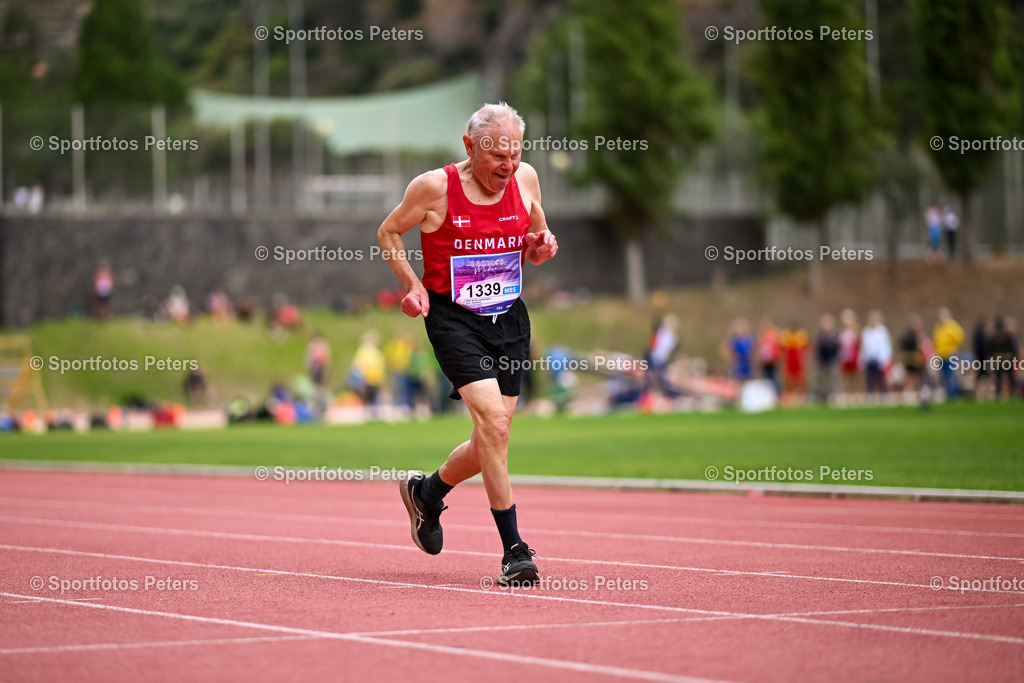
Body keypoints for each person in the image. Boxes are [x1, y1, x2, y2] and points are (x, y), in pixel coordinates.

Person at [377, 102, 558, 586]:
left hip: (509, 319)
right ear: (469, 147)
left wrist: (540, 247)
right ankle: (514, 552)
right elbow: (388, 231)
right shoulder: (434, 188)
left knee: (490, 440)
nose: (508, 165)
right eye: (497, 155)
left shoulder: (526, 180)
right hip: (454, 318)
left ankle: (427, 493)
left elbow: (535, 241)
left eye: (515, 153)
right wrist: (413, 285)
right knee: (494, 424)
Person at [933, 307, 964, 400]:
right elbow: (936, 340)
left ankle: (954, 394)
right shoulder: (938, 326)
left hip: (950, 355)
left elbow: (959, 337)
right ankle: (946, 394)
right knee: (943, 376)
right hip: (941, 355)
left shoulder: (952, 326)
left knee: (951, 375)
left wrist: (953, 349)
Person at [860, 310, 892, 396]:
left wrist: (885, 358)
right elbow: (864, 346)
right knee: (869, 377)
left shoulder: (882, 331)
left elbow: (885, 345)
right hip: (869, 358)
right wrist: (862, 358)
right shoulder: (866, 331)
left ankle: (883, 393)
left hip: (879, 358)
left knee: (881, 377)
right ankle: (870, 393)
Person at [988, 316, 1019, 400]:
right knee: (1010, 377)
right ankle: (1012, 393)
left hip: (998, 359)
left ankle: (998, 394)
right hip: (1007, 359)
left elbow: (990, 349)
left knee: (999, 377)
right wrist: (1014, 357)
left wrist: (990, 359)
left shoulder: (994, 337)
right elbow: (1013, 349)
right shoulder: (1007, 337)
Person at [780, 321, 810, 397]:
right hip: (789, 360)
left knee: (799, 377)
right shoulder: (786, 335)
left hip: (798, 359)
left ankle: (801, 393)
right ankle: (789, 393)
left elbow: (805, 347)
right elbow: (782, 347)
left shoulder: (801, 335)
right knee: (789, 378)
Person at [814, 314, 840, 403]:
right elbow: (818, 350)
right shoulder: (821, 336)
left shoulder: (834, 336)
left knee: (833, 378)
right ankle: (823, 395)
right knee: (823, 379)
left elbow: (837, 348)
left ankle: (835, 394)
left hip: (832, 360)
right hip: (823, 361)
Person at [720, 318, 753, 382]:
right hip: (737, 367)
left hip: (748, 366)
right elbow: (724, 348)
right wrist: (731, 358)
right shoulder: (734, 339)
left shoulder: (749, 338)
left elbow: (754, 350)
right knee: (737, 381)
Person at [756, 317, 781, 394]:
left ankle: (776, 392)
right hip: (765, 362)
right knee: (766, 379)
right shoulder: (762, 337)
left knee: (773, 377)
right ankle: (768, 393)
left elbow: (777, 348)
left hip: (772, 361)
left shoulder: (774, 336)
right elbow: (760, 349)